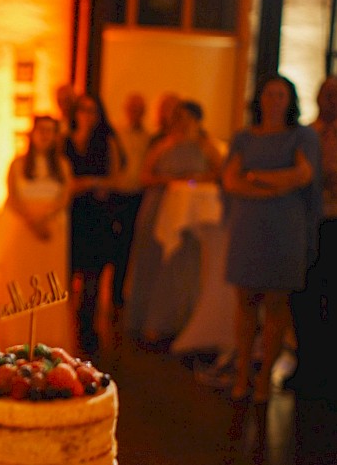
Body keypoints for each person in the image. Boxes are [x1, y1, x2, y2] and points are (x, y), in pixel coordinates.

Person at [221, 74, 321, 408]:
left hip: (285, 227)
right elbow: (231, 180)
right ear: (259, 99)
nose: (274, 100)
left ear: (290, 100)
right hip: (248, 225)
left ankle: (265, 378)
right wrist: (275, 185)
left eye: (281, 94)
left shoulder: (302, 136)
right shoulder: (244, 137)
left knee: (277, 304)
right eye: (269, 94)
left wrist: (258, 177)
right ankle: (242, 376)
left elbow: (303, 176)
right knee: (245, 301)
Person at [125, 100, 223, 347]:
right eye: (178, 117)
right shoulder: (164, 144)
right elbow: (145, 176)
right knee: (153, 262)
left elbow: (220, 173)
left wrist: (194, 180)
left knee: (183, 267)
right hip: (159, 207)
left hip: (190, 212)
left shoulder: (207, 145)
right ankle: (150, 321)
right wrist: (169, 181)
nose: (182, 123)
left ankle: (179, 322)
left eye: (187, 118)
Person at [289, 76, 337, 406]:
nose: (333, 101)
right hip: (308, 222)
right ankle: (307, 365)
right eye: (328, 95)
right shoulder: (304, 134)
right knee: (306, 295)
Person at [0, 115, 75, 351]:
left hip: (52, 230)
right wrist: (32, 221)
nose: (45, 135)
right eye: (41, 130)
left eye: (50, 131)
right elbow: (12, 197)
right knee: (21, 281)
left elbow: (65, 196)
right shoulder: (17, 164)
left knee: (51, 284)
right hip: (24, 228)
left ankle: (49, 338)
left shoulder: (63, 166)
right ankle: (16, 338)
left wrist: (46, 219)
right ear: (33, 134)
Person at [65, 93, 123, 355]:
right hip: (71, 213)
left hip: (97, 214)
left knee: (92, 276)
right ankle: (65, 328)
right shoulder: (64, 141)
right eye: (83, 110)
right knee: (66, 271)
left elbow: (116, 178)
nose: (87, 115)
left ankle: (88, 331)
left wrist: (89, 183)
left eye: (92, 111)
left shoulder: (106, 142)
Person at [110, 92, 151, 314]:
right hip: (117, 194)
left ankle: (120, 294)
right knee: (114, 245)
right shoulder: (117, 133)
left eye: (139, 109)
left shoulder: (148, 137)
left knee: (129, 246)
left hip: (137, 196)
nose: (136, 113)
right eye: (132, 108)